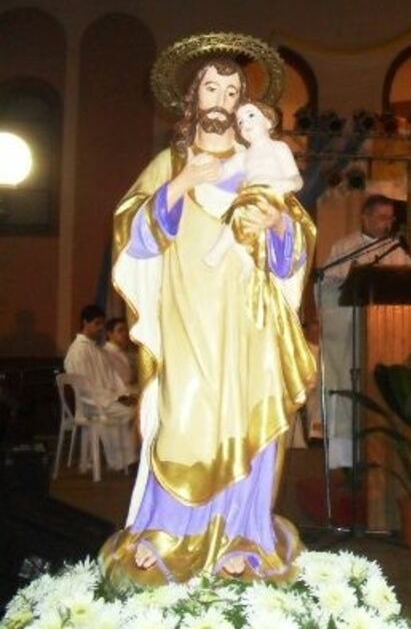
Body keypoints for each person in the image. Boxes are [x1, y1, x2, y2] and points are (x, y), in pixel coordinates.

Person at [102, 44, 317, 586]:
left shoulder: (260, 167)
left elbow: (296, 245)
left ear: (244, 104)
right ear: (191, 98)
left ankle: (246, 537)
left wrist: (277, 226)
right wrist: (183, 183)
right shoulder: (168, 164)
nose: (220, 100)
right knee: (183, 417)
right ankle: (166, 531)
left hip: (249, 323)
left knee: (247, 420)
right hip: (186, 320)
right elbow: (133, 240)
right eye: (210, 89)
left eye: (231, 91)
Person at [320, 195, 411, 470]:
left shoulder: (395, 249)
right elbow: (325, 285)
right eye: (383, 217)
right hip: (350, 333)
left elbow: (410, 281)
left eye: (391, 218)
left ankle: (383, 453)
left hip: (385, 336)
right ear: (366, 217)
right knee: (349, 386)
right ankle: (346, 458)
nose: (388, 224)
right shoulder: (345, 247)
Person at [204, 101, 302, 268]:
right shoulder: (243, 156)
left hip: (275, 196)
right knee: (238, 210)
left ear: (268, 121)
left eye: (250, 115)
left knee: (245, 208)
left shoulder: (279, 148)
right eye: (240, 121)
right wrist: (205, 164)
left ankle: (219, 251)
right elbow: (221, 173)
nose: (245, 123)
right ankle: (241, 258)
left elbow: (297, 180)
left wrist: (285, 184)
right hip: (251, 198)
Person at [64, 305, 138, 473]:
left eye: (102, 324)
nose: (100, 328)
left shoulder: (96, 349)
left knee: (135, 408)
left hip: (106, 398)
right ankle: (122, 461)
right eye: (96, 324)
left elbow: (112, 378)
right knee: (129, 412)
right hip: (91, 404)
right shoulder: (77, 351)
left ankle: (129, 459)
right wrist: (114, 398)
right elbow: (86, 388)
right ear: (85, 322)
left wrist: (123, 395)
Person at [104, 317, 138, 393]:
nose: (125, 334)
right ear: (110, 334)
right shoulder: (106, 353)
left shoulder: (121, 352)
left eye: (126, 330)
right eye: (120, 330)